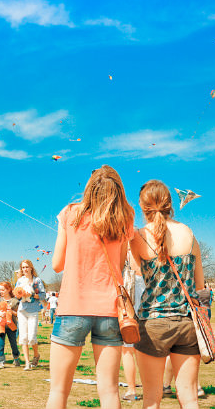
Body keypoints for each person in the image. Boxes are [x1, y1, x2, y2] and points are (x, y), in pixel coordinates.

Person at [46, 165, 135, 409]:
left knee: (59, 391)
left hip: (72, 307)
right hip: (110, 310)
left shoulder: (70, 213)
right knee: (109, 391)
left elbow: (56, 264)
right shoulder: (125, 218)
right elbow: (120, 263)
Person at [129, 179, 203, 409]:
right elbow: (199, 284)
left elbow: (135, 270)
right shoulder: (188, 233)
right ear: (170, 203)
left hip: (153, 323)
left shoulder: (138, 236)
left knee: (152, 398)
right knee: (189, 397)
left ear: (143, 207)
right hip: (187, 322)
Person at [121, 252, 145, 402]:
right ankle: (150, 388)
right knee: (144, 351)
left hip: (130, 305)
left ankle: (131, 389)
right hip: (149, 305)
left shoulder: (124, 253)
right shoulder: (147, 250)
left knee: (128, 350)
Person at [15, 259, 46, 370]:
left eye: (27, 267)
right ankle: (27, 363)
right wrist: (20, 294)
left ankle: (36, 355)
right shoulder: (19, 281)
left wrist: (32, 294)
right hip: (22, 310)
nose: (25, 269)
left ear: (31, 268)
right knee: (23, 337)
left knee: (32, 337)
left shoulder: (37, 281)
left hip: (33, 311)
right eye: (23, 267)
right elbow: (16, 295)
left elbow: (43, 295)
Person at [0, 282, 21, 369]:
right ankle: (1, 361)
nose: (1, 291)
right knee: (0, 344)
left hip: (12, 326)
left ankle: (16, 357)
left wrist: (11, 311)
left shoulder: (15, 301)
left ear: (9, 289)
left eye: (3, 289)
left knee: (13, 344)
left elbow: (19, 314)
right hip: (1, 326)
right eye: (0, 290)